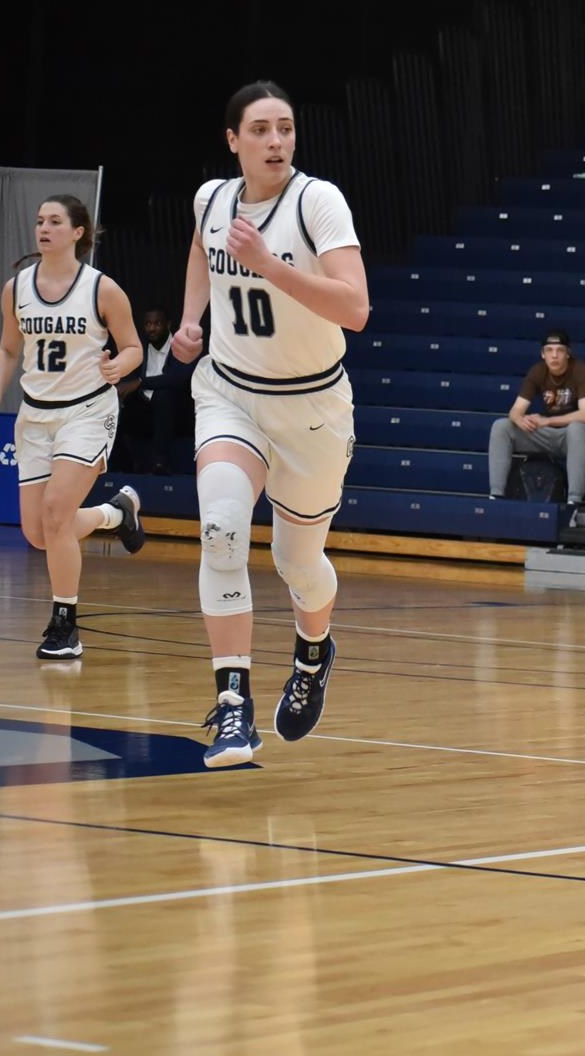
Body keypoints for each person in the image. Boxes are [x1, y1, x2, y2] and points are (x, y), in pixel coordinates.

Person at [171, 81, 370, 768]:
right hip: (229, 391)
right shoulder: (212, 198)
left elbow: (356, 307)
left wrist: (267, 268)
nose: (276, 141)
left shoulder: (317, 201)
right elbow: (202, 249)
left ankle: (313, 655)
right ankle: (232, 705)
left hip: (311, 406)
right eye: (260, 129)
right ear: (233, 141)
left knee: (297, 563)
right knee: (222, 527)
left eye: (285, 128)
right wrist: (192, 316)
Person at [0, 194, 148, 659]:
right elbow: (9, 348)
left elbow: (133, 347)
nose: (43, 228)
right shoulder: (16, 289)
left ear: (77, 232)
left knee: (55, 512)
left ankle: (64, 625)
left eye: (54, 221)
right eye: (39, 221)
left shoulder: (102, 289)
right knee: (38, 531)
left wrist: (119, 367)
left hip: (87, 410)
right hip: (35, 415)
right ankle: (116, 513)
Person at [487, 329, 585, 506]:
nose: (554, 355)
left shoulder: (581, 370)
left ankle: (574, 501)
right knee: (501, 426)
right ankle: (496, 496)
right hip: (551, 436)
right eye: (549, 350)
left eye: (560, 350)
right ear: (543, 354)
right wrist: (519, 418)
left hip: (584, 439)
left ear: (568, 353)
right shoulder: (537, 371)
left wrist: (547, 421)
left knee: (576, 429)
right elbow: (515, 409)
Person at [114, 305, 192, 474]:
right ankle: (123, 465)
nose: (152, 328)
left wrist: (140, 382)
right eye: (148, 324)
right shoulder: (138, 349)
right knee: (118, 401)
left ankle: (160, 463)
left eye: (157, 323)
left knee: (163, 394)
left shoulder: (180, 348)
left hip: (176, 414)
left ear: (168, 325)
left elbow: (176, 380)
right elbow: (128, 380)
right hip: (145, 412)